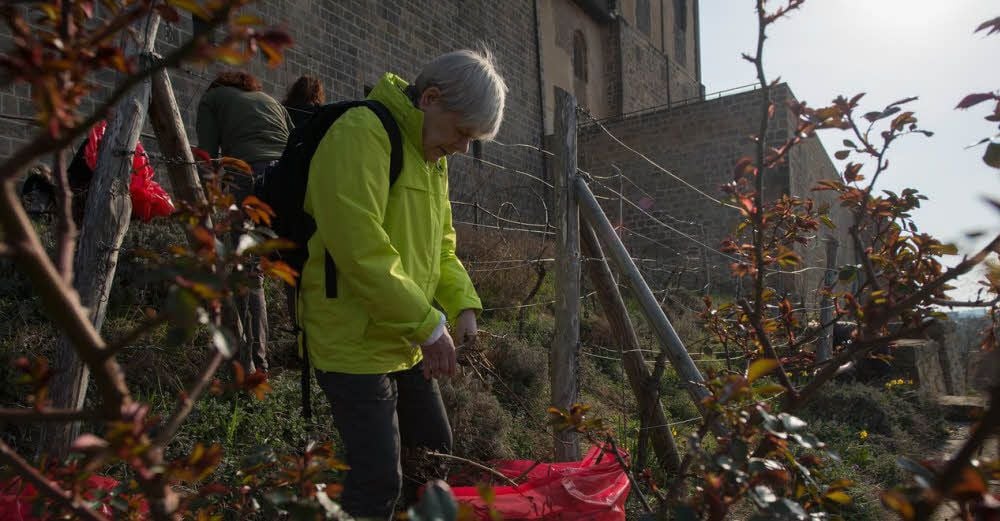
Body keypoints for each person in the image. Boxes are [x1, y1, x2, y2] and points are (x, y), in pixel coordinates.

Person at [300, 49, 506, 520]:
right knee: (376, 481)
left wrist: (463, 307)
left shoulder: (433, 159)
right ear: (430, 99)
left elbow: (442, 248)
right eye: (462, 132)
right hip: (350, 340)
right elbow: (359, 248)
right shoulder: (361, 133)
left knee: (434, 453)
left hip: (406, 335)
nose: (462, 148)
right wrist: (428, 324)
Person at [196, 70, 294, 374]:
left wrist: (205, 202)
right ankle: (305, 349)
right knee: (296, 262)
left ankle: (253, 365)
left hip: (248, 176)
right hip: (289, 178)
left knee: (248, 271)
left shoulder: (213, 98)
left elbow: (208, 155)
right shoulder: (271, 101)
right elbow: (294, 141)